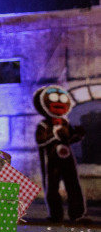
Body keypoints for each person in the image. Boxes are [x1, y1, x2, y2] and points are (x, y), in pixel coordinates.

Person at [33, 85, 88, 222]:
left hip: (67, 157)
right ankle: (55, 215)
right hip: (51, 158)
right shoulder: (44, 124)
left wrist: (77, 135)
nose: (58, 102)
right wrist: (55, 135)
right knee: (52, 186)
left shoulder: (65, 123)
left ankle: (77, 214)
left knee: (73, 184)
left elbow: (69, 138)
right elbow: (41, 141)